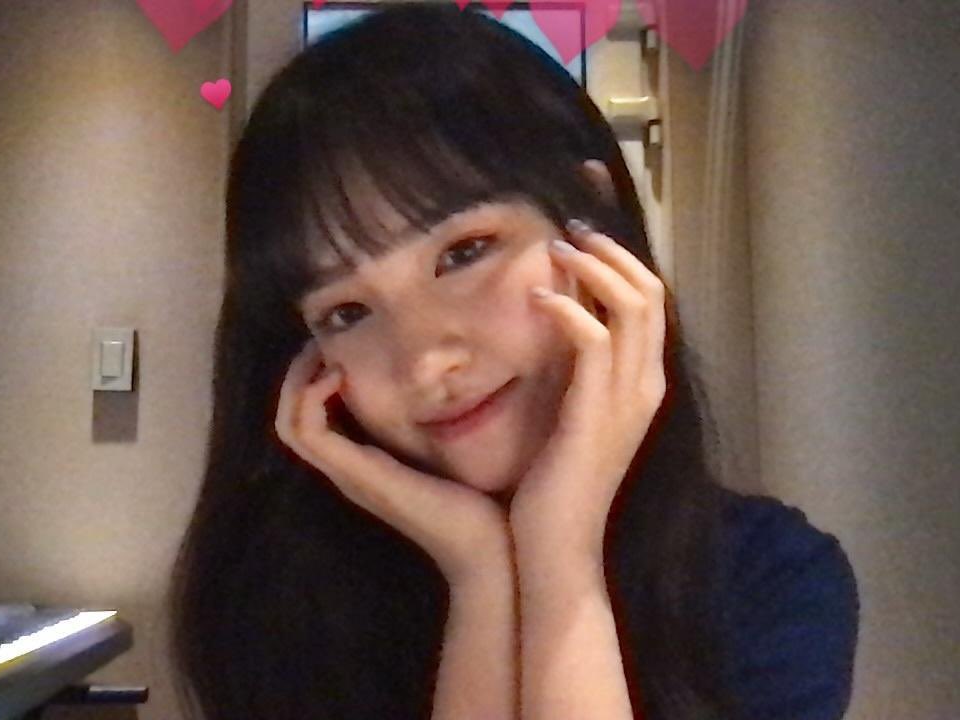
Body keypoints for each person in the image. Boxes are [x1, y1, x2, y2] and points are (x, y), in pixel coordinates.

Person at [167, 5, 859, 720]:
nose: (426, 360)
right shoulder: (280, 606)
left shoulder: (768, 580)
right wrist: (480, 575)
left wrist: (559, 556)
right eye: (347, 312)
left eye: (464, 253)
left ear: (595, 223)